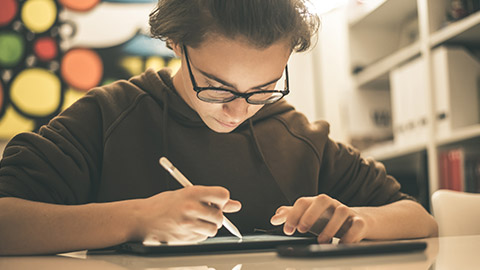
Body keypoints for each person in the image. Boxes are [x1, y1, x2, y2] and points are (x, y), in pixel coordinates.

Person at [0, 0, 437, 255]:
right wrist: (137, 218)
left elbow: (420, 220)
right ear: (175, 44)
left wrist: (355, 219)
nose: (237, 111)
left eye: (263, 89)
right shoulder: (108, 115)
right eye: (216, 87)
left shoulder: (297, 135)